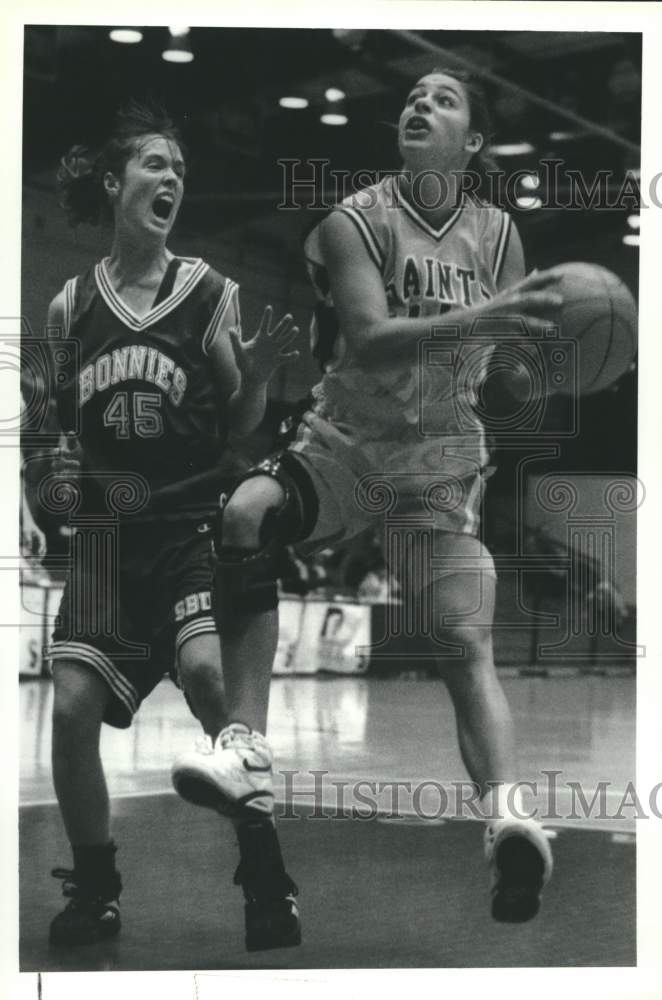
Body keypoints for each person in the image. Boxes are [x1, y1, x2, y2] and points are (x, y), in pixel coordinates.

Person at [172, 70, 562, 923]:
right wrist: (487, 326)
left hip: (440, 463)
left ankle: (507, 819)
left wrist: (539, 363)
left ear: (473, 144)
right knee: (246, 513)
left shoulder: (501, 240)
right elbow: (376, 343)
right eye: (413, 96)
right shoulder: (352, 220)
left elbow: (497, 376)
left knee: (466, 644)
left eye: (444, 99)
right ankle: (244, 748)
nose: (420, 105)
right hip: (344, 447)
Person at [44, 101, 301, 951]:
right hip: (107, 542)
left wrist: (258, 378)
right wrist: (51, 469)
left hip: (190, 526)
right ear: (115, 182)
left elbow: (242, 430)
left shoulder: (212, 293)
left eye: (180, 171)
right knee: (72, 708)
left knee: (206, 679)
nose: (172, 180)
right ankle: (96, 887)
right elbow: (49, 432)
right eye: (156, 164)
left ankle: (265, 872)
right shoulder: (68, 307)